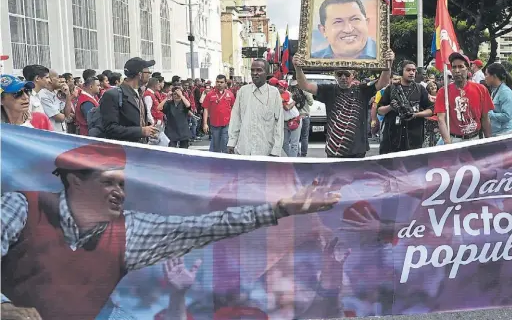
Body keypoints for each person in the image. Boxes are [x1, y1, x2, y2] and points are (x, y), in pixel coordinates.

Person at [0, 142, 341, 320]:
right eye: (109, 183)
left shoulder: (129, 231)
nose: (120, 191)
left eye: (123, 183)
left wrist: (281, 209)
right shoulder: (21, 207)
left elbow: (204, 227)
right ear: (74, 180)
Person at [294, 50, 395, 158]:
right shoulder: (329, 90)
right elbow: (305, 86)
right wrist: (297, 68)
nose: (343, 77)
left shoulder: (362, 90)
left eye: (346, 74)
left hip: (358, 149)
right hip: (334, 150)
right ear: (335, 75)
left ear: (353, 75)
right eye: (339, 74)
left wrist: (389, 63)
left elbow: (383, 83)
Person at [228, 59, 284, 157]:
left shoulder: (274, 93)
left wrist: (276, 150)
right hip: (244, 149)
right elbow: (236, 118)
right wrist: (232, 142)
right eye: (252, 70)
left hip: (266, 151)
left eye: (259, 70)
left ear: (266, 73)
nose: (255, 73)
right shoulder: (243, 91)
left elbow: (279, 123)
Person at [435, 52, 494, 144]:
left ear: (468, 69)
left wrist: (489, 141)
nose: (457, 70)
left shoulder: (481, 89)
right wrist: (448, 143)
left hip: (475, 139)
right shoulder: (443, 92)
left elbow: (485, 118)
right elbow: (441, 119)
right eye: (454, 67)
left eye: (461, 66)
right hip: (454, 140)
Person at [377, 61, 433, 154]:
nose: (411, 72)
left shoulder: (420, 89)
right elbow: (379, 111)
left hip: (413, 139)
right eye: (408, 70)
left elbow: (431, 109)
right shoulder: (391, 89)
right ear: (401, 72)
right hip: (392, 139)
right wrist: (390, 107)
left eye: (414, 70)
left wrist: (416, 114)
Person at [100, 57, 159, 143]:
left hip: (141, 148)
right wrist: (141, 131)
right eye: (148, 72)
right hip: (125, 152)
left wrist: (149, 130)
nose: (150, 75)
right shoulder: (112, 95)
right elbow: (110, 128)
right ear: (140, 74)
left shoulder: (140, 93)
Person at [311, 0, 377, 60]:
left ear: (367, 23)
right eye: (338, 22)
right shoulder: (311, 60)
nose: (348, 30)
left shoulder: (384, 56)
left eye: (355, 19)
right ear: (323, 31)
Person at [202, 75, 235, 153]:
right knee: (216, 146)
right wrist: (205, 124)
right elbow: (205, 109)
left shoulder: (230, 94)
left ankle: (225, 160)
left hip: (226, 124)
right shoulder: (210, 94)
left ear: (225, 83)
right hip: (214, 124)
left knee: (225, 143)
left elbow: (234, 108)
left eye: (221, 82)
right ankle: (216, 162)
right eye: (217, 82)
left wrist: (234, 123)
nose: (219, 84)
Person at [484, 63, 512, 136]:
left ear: (494, 76)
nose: (485, 77)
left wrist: (490, 114)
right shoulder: (495, 90)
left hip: (505, 133)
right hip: (498, 133)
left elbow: (507, 116)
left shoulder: (505, 92)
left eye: (486, 75)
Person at [277, 79, 302, 157]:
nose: (278, 88)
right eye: (278, 86)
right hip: (285, 122)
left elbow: (287, 108)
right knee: (284, 143)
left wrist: (294, 102)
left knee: (294, 144)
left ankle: (293, 162)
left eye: (280, 87)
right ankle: (292, 158)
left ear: (284, 89)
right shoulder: (277, 95)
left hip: (295, 120)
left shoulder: (285, 94)